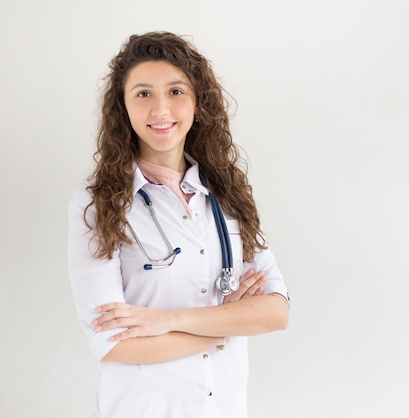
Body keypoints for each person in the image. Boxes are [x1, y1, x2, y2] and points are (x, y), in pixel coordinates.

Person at [68, 31, 290, 418]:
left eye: (175, 91)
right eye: (143, 94)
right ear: (123, 107)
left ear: (198, 103)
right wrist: (227, 324)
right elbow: (113, 343)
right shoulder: (97, 204)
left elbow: (275, 311)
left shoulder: (228, 194)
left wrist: (165, 322)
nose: (160, 109)